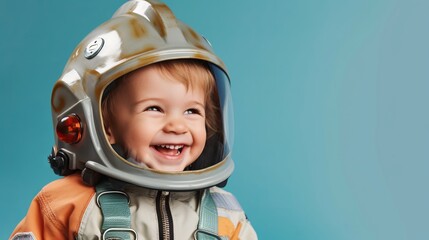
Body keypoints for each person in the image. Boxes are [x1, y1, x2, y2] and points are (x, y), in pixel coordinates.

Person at [10, 0, 257, 239]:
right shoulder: (67, 206)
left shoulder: (226, 215)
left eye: (192, 111)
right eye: (154, 108)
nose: (176, 126)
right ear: (104, 126)